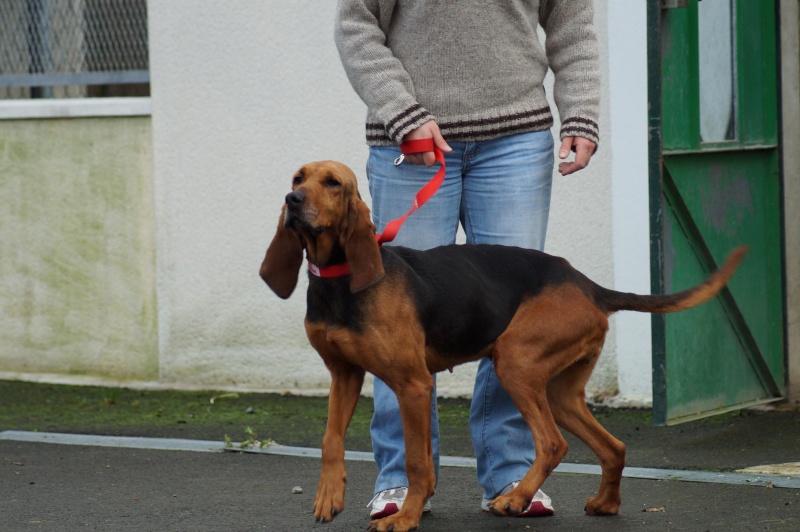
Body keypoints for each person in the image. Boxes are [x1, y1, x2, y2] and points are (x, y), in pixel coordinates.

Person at [334, 0, 599, 519]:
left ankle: (510, 474)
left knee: (512, 322)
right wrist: (402, 112)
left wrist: (582, 114)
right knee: (392, 328)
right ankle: (397, 478)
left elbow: (573, 28)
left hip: (517, 141)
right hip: (409, 144)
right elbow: (356, 25)